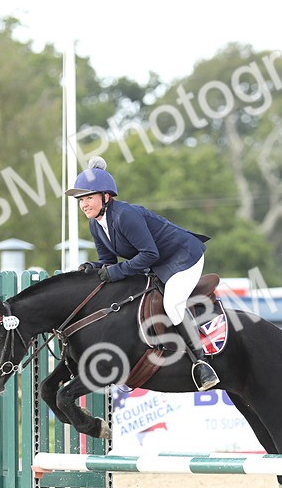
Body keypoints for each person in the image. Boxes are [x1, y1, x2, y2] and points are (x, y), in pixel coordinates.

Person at [65, 156, 220, 391]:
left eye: (88, 198)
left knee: (172, 304)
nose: (84, 204)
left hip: (183, 256)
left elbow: (149, 254)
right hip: (157, 262)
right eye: (81, 200)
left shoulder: (125, 215)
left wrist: (115, 271)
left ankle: (202, 362)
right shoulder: (95, 224)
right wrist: (93, 267)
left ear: (106, 197)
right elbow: (108, 262)